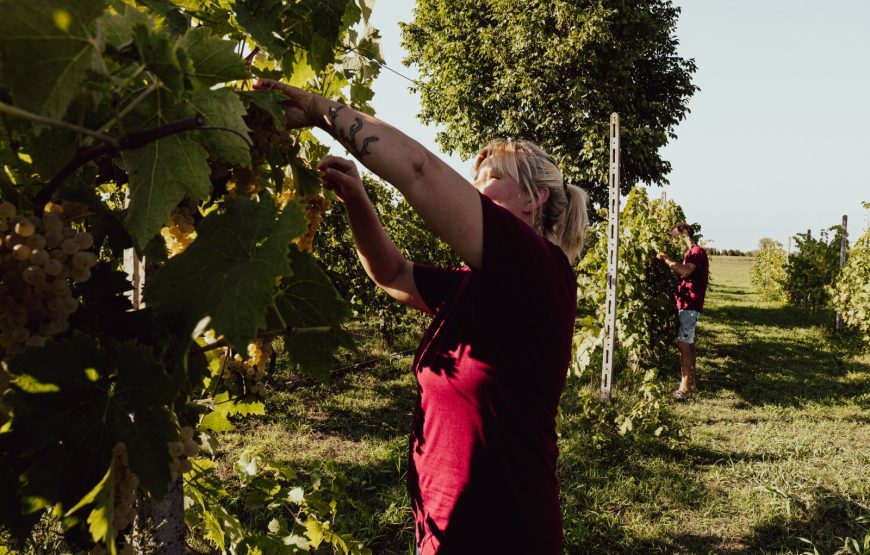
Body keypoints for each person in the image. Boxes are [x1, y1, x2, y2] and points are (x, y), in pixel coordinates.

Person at [255, 79, 589, 554]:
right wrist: (358, 202)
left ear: (533, 199)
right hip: (443, 525)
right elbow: (394, 274)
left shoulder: (537, 268)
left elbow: (419, 169)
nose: (472, 190)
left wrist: (316, 108)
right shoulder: (481, 282)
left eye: (488, 177)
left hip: (504, 531)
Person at [657, 222, 709, 401]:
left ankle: (684, 388)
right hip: (687, 305)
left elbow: (685, 271)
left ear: (685, 233)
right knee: (689, 342)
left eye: (675, 236)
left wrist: (666, 259)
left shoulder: (696, 252)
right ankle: (691, 382)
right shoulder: (690, 253)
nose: (674, 240)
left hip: (690, 306)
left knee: (683, 343)